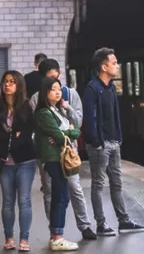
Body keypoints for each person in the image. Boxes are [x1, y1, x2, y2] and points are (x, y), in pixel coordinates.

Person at [29, 58, 96, 240]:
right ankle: (55, 230)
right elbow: (40, 127)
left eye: (56, 77)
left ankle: (84, 225)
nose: (56, 89)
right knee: (51, 190)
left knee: (74, 188)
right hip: (49, 153)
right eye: (50, 80)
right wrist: (65, 131)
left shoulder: (70, 94)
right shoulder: (36, 100)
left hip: (68, 152)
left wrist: (67, 115)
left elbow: (78, 123)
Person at [83, 48, 144, 235]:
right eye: (114, 63)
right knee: (98, 184)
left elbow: (115, 115)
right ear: (104, 66)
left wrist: (118, 137)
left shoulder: (110, 87)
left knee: (117, 183)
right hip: (100, 145)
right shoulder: (92, 89)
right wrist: (97, 141)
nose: (117, 66)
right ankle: (101, 224)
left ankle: (124, 221)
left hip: (113, 142)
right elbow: (89, 118)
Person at [0, 71, 36, 251]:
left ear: (19, 86)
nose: (8, 85)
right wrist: (11, 135)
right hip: (4, 161)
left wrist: (13, 137)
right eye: (5, 82)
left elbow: (27, 133)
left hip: (25, 160)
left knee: (24, 200)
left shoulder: (26, 106)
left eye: (12, 82)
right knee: (8, 201)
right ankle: (9, 238)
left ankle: (24, 239)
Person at [34, 76, 80, 251]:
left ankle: (56, 235)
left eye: (59, 89)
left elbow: (76, 130)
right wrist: (66, 132)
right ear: (45, 93)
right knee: (61, 196)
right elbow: (61, 136)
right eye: (53, 89)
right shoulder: (44, 113)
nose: (58, 92)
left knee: (61, 196)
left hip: (59, 157)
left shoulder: (58, 110)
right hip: (53, 159)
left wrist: (68, 132)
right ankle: (57, 237)